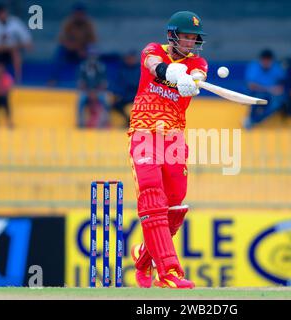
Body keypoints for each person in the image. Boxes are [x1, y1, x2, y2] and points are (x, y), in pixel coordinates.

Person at [128, 11, 207, 289]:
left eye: (194, 38)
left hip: (173, 139)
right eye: (186, 36)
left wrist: (191, 81)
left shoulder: (198, 62)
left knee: (174, 206)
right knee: (152, 199)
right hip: (143, 132)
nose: (190, 42)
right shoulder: (153, 50)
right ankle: (169, 273)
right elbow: (151, 64)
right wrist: (168, 71)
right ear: (173, 35)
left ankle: (142, 258)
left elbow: (198, 72)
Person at [49, 3, 97, 85]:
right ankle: (53, 79)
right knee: (59, 52)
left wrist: (83, 50)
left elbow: (93, 40)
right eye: (77, 14)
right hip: (70, 50)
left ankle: (90, 81)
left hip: (83, 50)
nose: (79, 16)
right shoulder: (68, 22)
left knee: (93, 53)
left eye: (81, 14)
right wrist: (75, 48)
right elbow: (62, 39)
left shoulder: (89, 24)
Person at [0, 3, 33, 83]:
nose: (4, 15)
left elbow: (26, 37)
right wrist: (9, 45)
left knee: (15, 51)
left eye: (5, 12)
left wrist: (25, 44)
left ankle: (18, 79)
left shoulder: (14, 21)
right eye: (2, 13)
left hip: (12, 50)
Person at [243, 49, 285, 129]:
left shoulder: (276, 68)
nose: (266, 62)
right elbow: (251, 85)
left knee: (276, 104)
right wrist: (270, 89)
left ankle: (252, 121)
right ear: (260, 60)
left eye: (268, 60)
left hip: (272, 95)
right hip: (256, 93)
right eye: (264, 60)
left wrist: (280, 89)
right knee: (258, 99)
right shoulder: (254, 67)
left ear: (272, 60)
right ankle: (251, 119)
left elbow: (283, 83)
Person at [76, 46, 109, 128]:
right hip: (86, 91)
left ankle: (105, 121)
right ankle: (81, 122)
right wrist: (89, 92)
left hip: (98, 91)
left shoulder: (101, 67)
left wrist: (95, 92)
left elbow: (104, 83)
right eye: (91, 55)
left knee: (105, 101)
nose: (92, 57)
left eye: (94, 55)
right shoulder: (83, 66)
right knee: (81, 101)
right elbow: (81, 83)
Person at [109, 50, 140, 127]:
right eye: (128, 58)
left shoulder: (140, 69)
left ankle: (136, 124)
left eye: (131, 58)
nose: (130, 60)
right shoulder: (122, 70)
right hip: (126, 95)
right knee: (115, 105)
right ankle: (128, 121)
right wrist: (117, 95)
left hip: (137, 95)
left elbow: (140, 84)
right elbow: (118, 84)